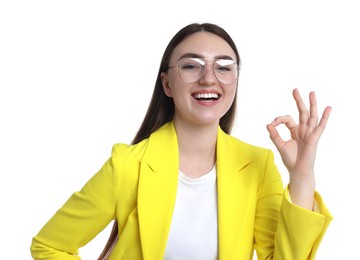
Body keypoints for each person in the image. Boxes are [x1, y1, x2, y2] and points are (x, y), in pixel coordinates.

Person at [30, 22, 333, 260]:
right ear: (167, 83)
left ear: (235, 82)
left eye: (224, 67)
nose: (208, 78)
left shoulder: (257, 165)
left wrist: (302, 176)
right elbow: (49, 246)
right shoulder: (128, 165)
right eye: (191, 66)